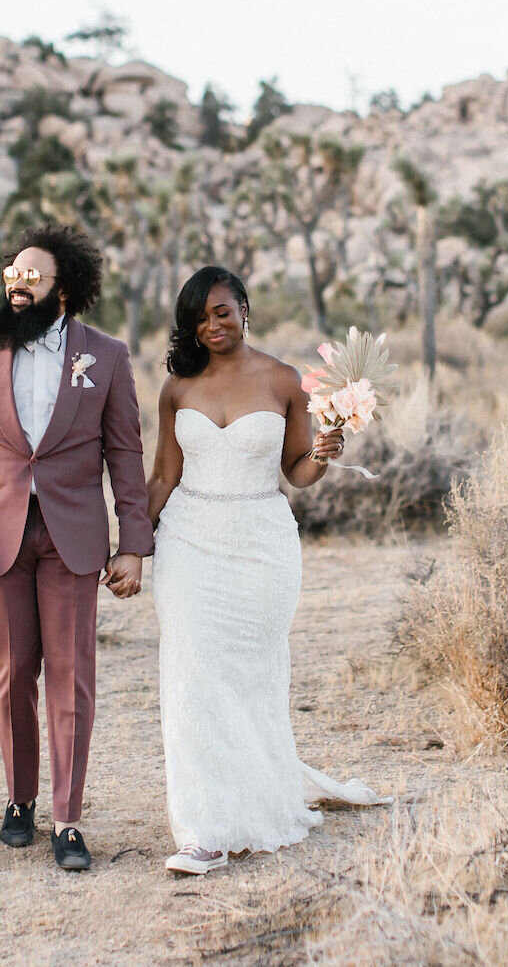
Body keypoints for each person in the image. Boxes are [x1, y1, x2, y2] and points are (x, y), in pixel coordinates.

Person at [148, 265, 390, 875]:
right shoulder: (178, 387)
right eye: (200, 317)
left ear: (245, 308)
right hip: (188, 543)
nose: (212, 325)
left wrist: (323, 452)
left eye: (222, 311)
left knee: (254, 677)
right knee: (192, 673)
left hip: (262, 545)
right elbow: (162, 477)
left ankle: (255, 798)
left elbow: (297, 473)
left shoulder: (284, 380)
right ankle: (204, 829)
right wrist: (129, 543)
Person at [0, 223, 154, 872]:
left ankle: (67, 819)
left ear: (66, 288)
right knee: (11, 676)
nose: (17, 286)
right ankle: (19, 802)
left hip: (75, 539)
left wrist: (134, 544)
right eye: (12, 276)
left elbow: (126, 453)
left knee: (71, 677)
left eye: (32, 277)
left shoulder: (106, 356)